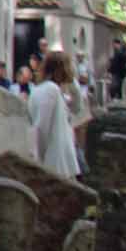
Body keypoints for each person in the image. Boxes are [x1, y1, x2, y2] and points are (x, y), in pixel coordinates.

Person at [31, 48, 83, 178]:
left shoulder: (50, 90)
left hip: (61, 162)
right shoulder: (50, 90)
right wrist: (42, 158)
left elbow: (77, 107)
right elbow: (41, 128)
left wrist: (73, 84)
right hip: (56, 163)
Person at [109, 36, 126, 101]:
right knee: (115, 88)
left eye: (114, 44)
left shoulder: (120, 52)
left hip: (120, 74)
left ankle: (118, 99)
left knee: (115, 88)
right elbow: (114, 64)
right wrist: (109, 71)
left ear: (117, 44)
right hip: (116, 73)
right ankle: (117, 99)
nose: (113, 46)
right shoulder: (117, 52)